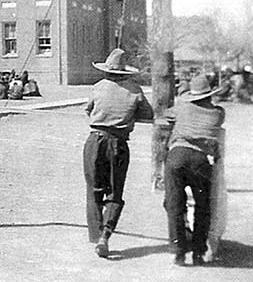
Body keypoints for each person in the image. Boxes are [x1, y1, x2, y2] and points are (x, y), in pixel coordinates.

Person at [83, 48, 154, 258]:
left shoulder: (97, 87)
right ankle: (105, 235)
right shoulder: (135, 90)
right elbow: (147, 114)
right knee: (115, 192)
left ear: (106, 71)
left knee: (94, 189)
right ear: (125, 72)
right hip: (118, 143)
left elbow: (88, 110)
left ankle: (96, 236)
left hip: (95, 140)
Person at [163, 74, 225, 266]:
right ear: (209, 95)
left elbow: (166, 114)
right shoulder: (217, 113)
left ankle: (179, 251)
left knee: (174, 204)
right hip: (200, 160)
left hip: (177, 156)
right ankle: (199, 251)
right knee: (202, 205)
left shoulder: (182, 106)